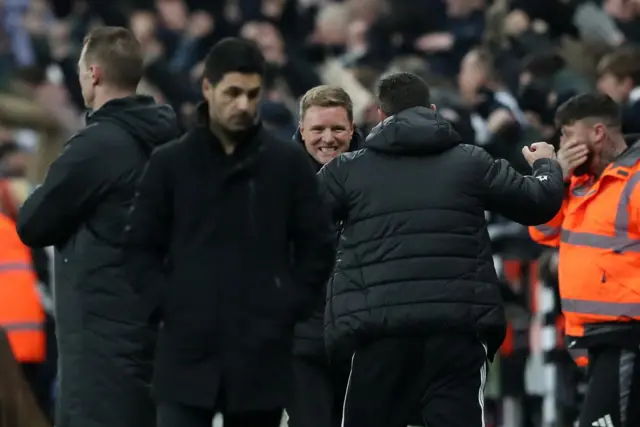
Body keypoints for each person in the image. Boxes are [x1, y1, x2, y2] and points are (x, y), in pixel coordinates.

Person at [319, 72, 565, 427]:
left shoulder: (347, 170)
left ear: (381, 115)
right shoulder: (471, 161)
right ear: (433, 110)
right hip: (456, 330)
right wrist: (546, 164)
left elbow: (299, 222)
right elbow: (539, 202)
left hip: (377, 332)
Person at [121, 37, 335, 427]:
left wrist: (286, 306)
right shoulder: (171, 164)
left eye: (252, 94)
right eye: (232, 92)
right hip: (185, 357)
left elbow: (317, 247)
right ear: (208, 88)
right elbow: (138, 248)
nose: (243, 105)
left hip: (261, 359)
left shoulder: (285, 165)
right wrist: (168, 305)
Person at [16, 27, 180, 427]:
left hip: (101, 351)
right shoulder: (172, 142)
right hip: (155, 340)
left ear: (94, 74)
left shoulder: (97, 145)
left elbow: (33, 223)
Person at [529, 93, 640, 427]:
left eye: (566, 134)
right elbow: (543, 231)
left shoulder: (634, 179)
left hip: (626, 334)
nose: (560, 144)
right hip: (593, 335)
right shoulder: (577, 181)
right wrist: (553, 177)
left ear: (597, 133)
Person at [288, 85, 362, 427]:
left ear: (352, 129)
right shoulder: (276, 180)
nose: (327, 139)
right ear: (302, 130)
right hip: (300, 341)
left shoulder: (376, 177)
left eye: (337, 129)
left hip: (363, 340)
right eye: (318, 129)